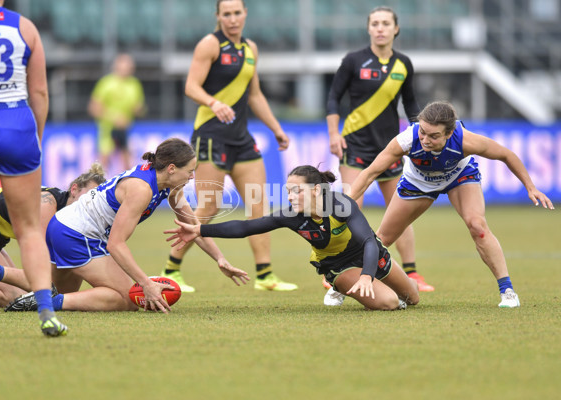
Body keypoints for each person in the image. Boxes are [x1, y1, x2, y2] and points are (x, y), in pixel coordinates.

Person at [347, 100, 555, 308]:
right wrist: (345, 205)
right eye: (424, 132)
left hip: (458, 176)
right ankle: (343, 286)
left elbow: (506, 155)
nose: (426, 140)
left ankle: (508, 291)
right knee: (381, 239)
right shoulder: (406, 140)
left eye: (434, 136)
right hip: (418, 182)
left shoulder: (465, 140)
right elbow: (369, 173)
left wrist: (531, 187)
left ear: (449, 133)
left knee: (477, 226)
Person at [6, 138, 249, 312]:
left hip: (66, 227)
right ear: (172, 168)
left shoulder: (170, 184)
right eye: (190, 171)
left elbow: (193, 225)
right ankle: (45, 303)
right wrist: (146, 284)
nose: (193, 177)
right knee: (130, 298)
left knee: (57, 288)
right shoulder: (141, 189)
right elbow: (116, 244)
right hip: (75, 234)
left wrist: (220, 259)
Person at [162, 0, 296, 293]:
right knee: (209, 205)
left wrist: (276, 129)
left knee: (258, 203)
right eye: (227, 14)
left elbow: (256, 94)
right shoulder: (210, 45)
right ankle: (170, 270)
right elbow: (190, 86)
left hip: (241, 138)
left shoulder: (250, 49)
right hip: (211, 135)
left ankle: (265, 275)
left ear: (245, 14)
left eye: (237, 13)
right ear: (218, 16)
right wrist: (213, 102)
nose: (233, 19)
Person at [165, 165, 419, 311]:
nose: (290, 196)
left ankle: (364, 283)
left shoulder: (341, 204)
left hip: (368, 254)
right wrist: (199, 230)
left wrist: (367, 275)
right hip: (337, 266)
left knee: (413, 299)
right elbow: (246, 227)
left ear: (316, 190)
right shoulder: (291, 215)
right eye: (288, 191)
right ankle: (338, 286)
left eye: (296, 191)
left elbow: (368, 242)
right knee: (388, 303)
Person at [0, 0, 67, 338]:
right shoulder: (25, 27)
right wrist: (34, 135)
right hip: (15, 121)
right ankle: (47, 314)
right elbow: (38, 90)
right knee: (29, 229)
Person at [326, 6, 433, 292]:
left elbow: (410, 103)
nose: (380, 28)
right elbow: (334, 98)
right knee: (349, 208)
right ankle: (339, 269)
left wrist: (418, 133)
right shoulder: (353, 61)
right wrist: (334, 134)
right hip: (354, 146)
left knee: (401, 211)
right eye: (375, 23)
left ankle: (412, 273)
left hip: (389, 148)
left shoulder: (403, 64)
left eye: (386, 23)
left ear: (396, 29)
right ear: (369, 28)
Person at [0, 164, 106, 307]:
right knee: (13, 295)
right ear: (74, 189)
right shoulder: (47, 205)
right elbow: (39, 265)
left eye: (95, 201)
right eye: (89, 196)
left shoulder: (70, 218)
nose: (90, 204)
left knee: (21, 290)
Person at [88, 53, 145, 175]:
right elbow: (94, 108)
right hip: (108, 129)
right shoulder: (106, 83)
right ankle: (96, 190)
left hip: (125, 130)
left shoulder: (134, 84)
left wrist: (138, 110)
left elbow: (138, 107)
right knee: (102, 165)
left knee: (127, 163)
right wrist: (114, 117)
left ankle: (127, 190)